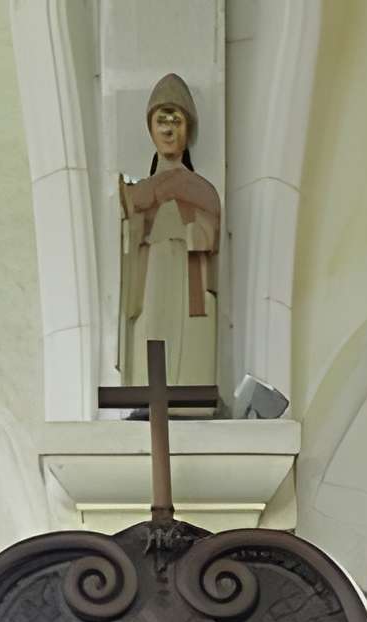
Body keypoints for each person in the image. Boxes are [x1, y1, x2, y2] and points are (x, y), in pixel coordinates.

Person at [118, 72, 219, 401]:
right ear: (151, 128)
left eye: (176, 119)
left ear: (187, 128)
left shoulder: (201, 189)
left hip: (187, 271)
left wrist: (193, 228)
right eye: (161, 119)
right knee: (153, 328)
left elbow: (210, 228)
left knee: (185, 334)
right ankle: (148, 393)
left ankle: (187, 395)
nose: (168, 127)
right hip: (152, 272)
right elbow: (129, 236)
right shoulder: (139, 194)